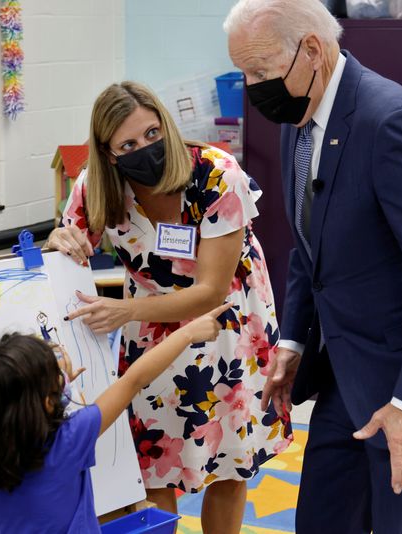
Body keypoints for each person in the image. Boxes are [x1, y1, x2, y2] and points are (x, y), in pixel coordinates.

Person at [224, 1, 402, 532]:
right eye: (243, 72)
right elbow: (311, 246)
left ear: (312, 51)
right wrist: (295, 343)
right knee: (324, 516)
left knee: (401, 521)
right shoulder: (298, 115)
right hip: (350, 364)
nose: (250, 86)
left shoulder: (390, 121)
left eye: (258, 70)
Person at [46, 81, 291, 533]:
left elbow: (211, 291)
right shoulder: (98, 186)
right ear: (109, 153)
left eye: (153, 134)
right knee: (152, 459)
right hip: (151, 331)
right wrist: (60, 239)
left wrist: (124, 312)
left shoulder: (217, 174)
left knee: (229, 464)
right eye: (129, 144)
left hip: (229, 326)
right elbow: (68, 244)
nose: (146, 149)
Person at [0, 303, 230, 534]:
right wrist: (187, 334)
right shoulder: (68, 440)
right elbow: (134, 380)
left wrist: (55, 391)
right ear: (46, 402)